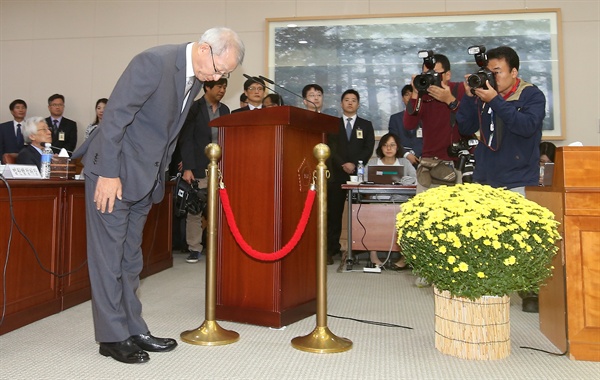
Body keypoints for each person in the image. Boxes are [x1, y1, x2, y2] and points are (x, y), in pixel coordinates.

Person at [72, 27, 245, 364]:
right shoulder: (154, 62)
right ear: (205, 48)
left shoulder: (194, 78)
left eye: (226, 73)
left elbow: (164, 132)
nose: (219, 77)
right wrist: (108, 174)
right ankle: (111, 337)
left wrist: (159, 175)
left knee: (130, 259)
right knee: (108, 259)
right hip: (113, 172)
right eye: (220, 69)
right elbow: (115, 118)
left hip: (143, 176)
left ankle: (134, 327)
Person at [404, 53, 466, 287]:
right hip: (429, 165)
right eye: (426, 74)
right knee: (425, 219)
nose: (429, 78)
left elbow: (469, 119)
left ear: (447, 74)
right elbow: (409, 124)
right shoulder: (423, 94)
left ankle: (452, 270)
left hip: (453, 162)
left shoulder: (459, 90)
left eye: (435, 74)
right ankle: (425, 268)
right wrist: (415, 94)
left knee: (454, 220)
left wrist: (449, 98)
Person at [457, 46, 546, 196]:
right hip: (484, 181)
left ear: (513, 72)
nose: (492, 78)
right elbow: (465, 128)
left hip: (518, 181)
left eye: (497, 72)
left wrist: (495, 101)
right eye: (489, 73)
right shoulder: (484, 96)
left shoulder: (531, 95)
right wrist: (469, 97)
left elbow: (526, 127)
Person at [179, 78, 230, 264]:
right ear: (207, 87)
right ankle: (194, 247)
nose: (222, 90)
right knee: (196, 209)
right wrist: (188, 167)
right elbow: (187, 139)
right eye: (219, 86)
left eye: (225, 87)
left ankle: (218, 245)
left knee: (220, 209)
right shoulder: (195, 108)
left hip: (220, 167)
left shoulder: (225, 110)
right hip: (199, 166)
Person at [327, 89, 375, 265]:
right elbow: (330, 147)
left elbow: (368, 148)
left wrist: (354, 163)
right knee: (334, 214)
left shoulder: (366, 124)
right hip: (337, 174)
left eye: (353, 100)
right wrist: (343, 164)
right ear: (341, 103)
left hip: (358, 174)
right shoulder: (333, 124)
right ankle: (331, 249)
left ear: (358, 104)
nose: (349, 103)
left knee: (360, 212)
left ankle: (360, 248)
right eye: (346, 100)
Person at [364, 133, 417, 269]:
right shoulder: (373, 162)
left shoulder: (404, 162)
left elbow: (415, 179)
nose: (388, 148)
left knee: (409, 217)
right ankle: (373, 254)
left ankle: (405, 257)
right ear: (381, 148)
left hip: (401, 201)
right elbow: (364, 180)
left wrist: (404, 181)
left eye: (392, 145)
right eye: (385, 145)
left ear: (397, 147)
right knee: (370, 213)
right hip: (377, 200)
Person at [388, 85, 421, 167]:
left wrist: (415, 153)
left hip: (421, 160)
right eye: (407, 94)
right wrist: (407, 155)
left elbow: (427, 139)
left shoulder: (425, 118)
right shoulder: (395, 118)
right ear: (402, 99)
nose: (410, 97)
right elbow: (393, 140)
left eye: (412, 94)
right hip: (400, 159)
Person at [0, 99, 28, 163]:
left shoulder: (30, 126)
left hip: (27, 162)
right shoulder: (3, 127)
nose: (21, 110)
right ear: (12, 111)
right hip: (6, 162)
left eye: (23, 108)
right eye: (17, 108)